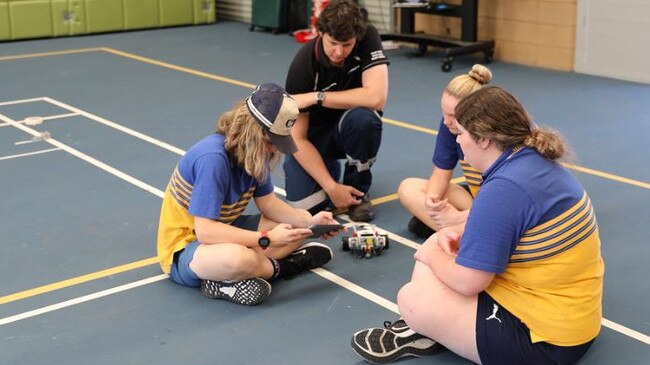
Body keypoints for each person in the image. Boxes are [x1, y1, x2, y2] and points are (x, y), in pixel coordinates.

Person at [351, 86, 604, 364]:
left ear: (483, 140)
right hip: (574, 317)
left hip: (546, 343)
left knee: (411, 298)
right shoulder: (531, 160)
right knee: (442, 242)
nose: (457, 142)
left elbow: (469, 282)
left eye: (460, 133)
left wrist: (429, 255)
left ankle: (422, 327)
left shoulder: (504, 188)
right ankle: (435, 326)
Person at [157, 83, 341, 306]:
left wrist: (309, 222)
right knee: (237, 258)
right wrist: (266, 239)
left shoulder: (254, 153)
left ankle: (247, 272)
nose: (273, 150)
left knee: (294, 231)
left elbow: (269, 204)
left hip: (228, 228)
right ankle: (282, 267)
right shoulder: (213, 159)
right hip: (186, 249)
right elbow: (205, 232)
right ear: (253, 132)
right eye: (270, 142)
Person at [284, 0, 389, 222]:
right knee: (308, 210)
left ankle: (357, 191)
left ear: (357, 38)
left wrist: (317, 97)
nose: (339, 52)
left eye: (347, 45)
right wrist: (331, 187)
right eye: (333, 43)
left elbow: (376, 98)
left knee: (365, 119)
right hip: (314, 139)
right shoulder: (303, 65)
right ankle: (329, 171)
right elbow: (297, 140)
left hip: (349, 128)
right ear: (320, 32)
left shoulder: (368, 36)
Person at [398, 64, 491, 238]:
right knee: (408, 188)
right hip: (477, 195)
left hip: (500, 202)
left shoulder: (495, 137)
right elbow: (441, 173)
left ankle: (468, 233)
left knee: (422, 224)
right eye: (444, 112)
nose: (446, 121)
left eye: (453, 116)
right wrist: (432, 202)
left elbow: (504, 202)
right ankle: (465, 232)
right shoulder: (449, 126)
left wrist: (457, 217)